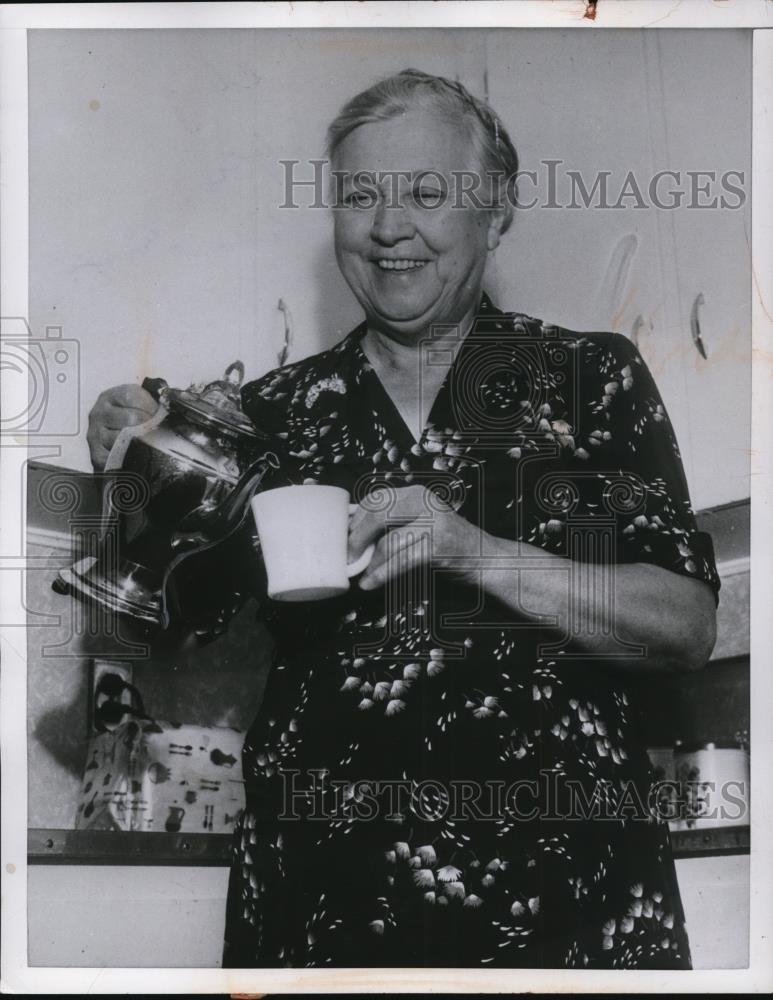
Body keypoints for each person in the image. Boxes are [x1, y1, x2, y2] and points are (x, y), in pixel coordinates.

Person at [87, 69, 719, 969]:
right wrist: (130, 482)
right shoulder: (271, 413)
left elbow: (686, 626)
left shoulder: (590, 377)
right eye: (358, 196)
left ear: (496, 210)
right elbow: (157, 633)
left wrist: (478, 553)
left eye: (426, 192)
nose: (388, 228)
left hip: (566, 895)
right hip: (321, 897)